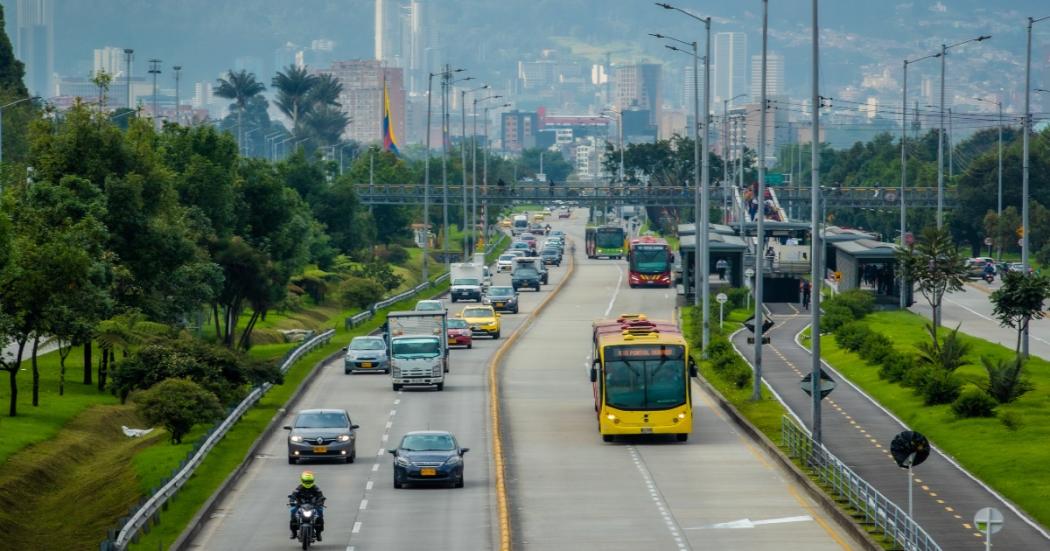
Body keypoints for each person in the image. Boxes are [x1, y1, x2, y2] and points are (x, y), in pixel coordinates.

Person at [289, 471, 326, 540]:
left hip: (313, 505)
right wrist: (292, 501)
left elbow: (321, 496)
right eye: (306, 481)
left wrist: (321, 501)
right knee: (292, 510)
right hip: (300, 505)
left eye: (309, 481)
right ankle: (294, 532)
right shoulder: (299, 488)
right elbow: (293, 495)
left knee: (320, 511)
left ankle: (318, 533)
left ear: (312, 481)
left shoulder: (316, 488)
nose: (308, 483)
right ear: (302, 480)